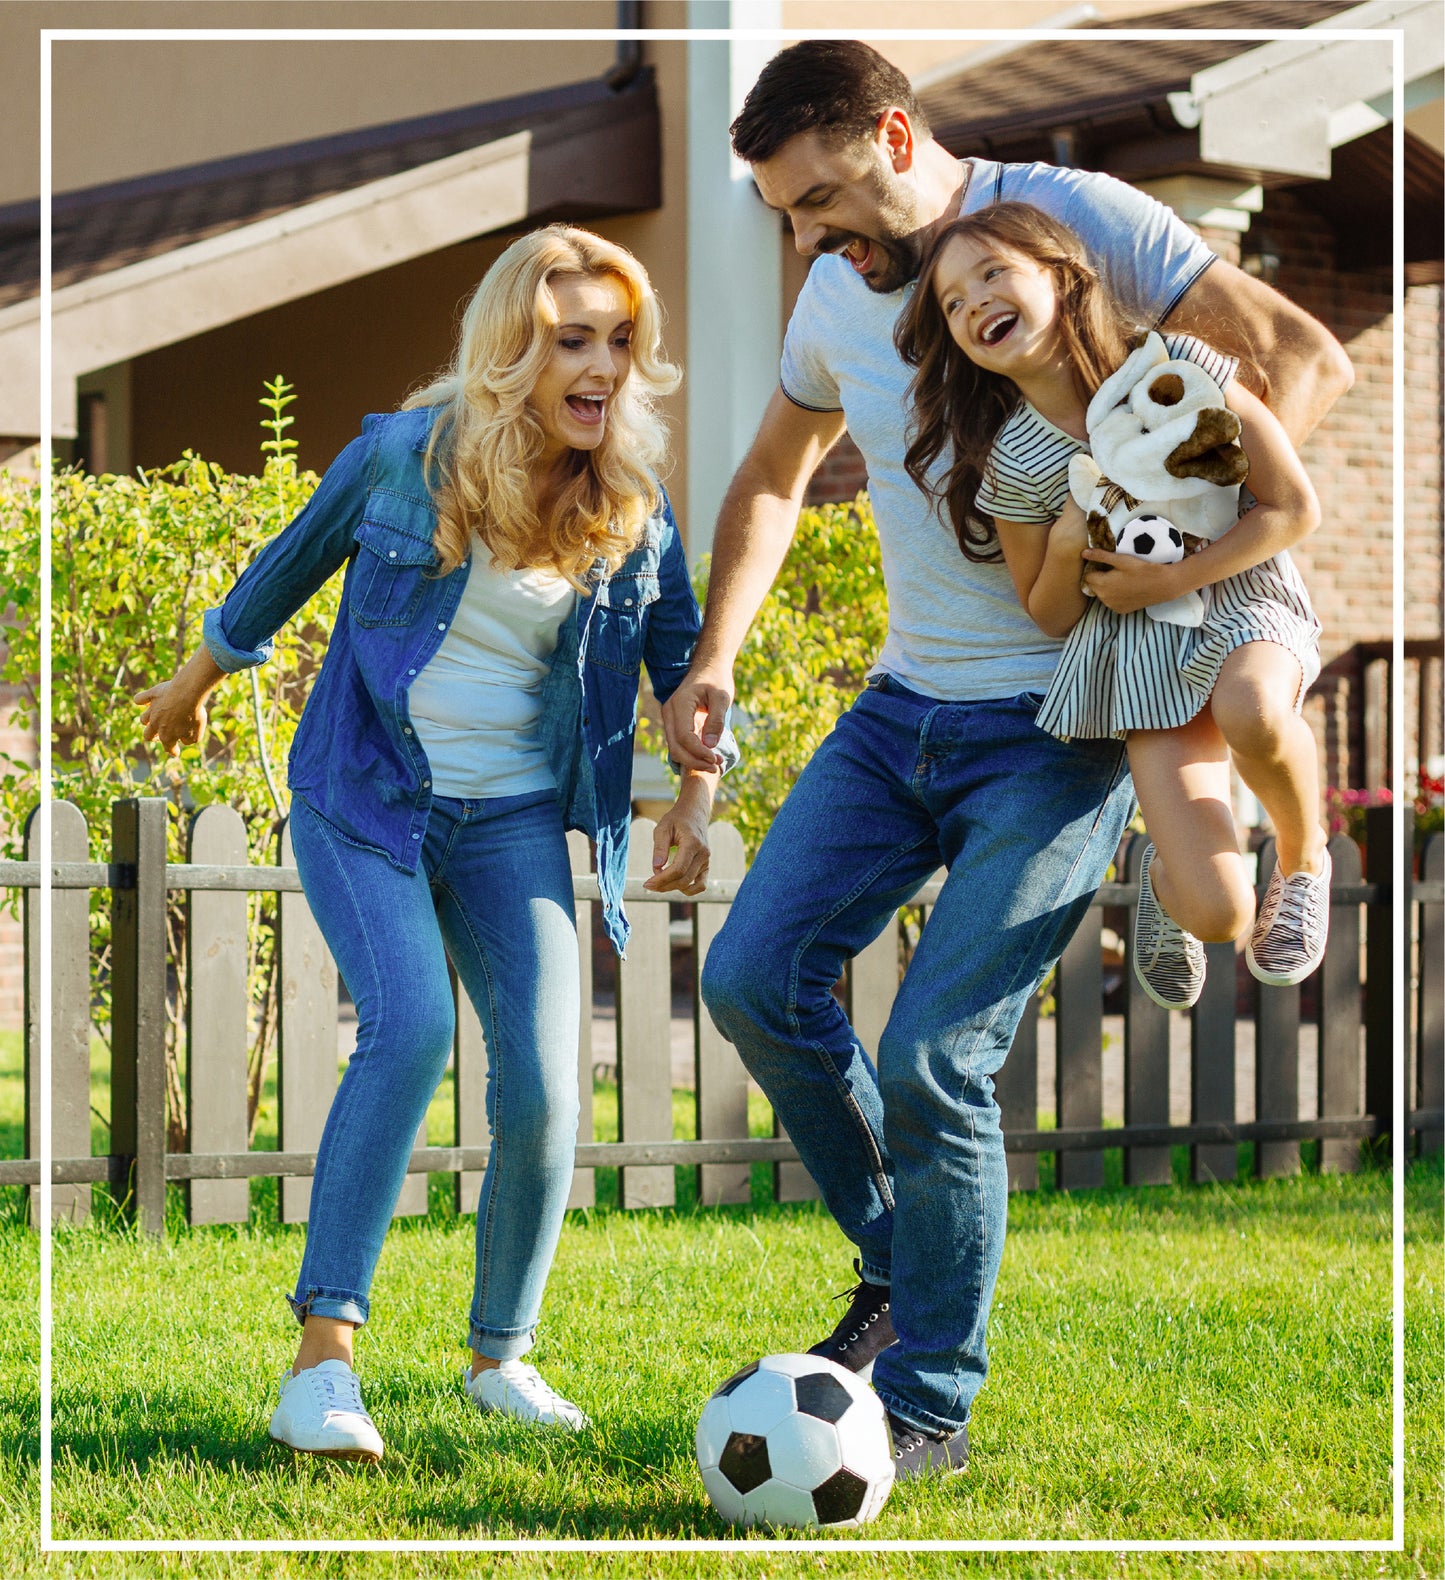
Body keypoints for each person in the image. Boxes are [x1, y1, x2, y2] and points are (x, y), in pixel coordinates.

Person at [662, 40, 1352, 1478]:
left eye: (824, 200)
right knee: (749, 981)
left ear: (896, 136)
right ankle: (902, 1271)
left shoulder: (1078, 220)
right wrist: (714, 655)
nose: (808, 239)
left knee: (933, 1058)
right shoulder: (840, 292)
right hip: (901, 707)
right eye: (788, 214)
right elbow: (775, 477)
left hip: (1065, 723)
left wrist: (1186, 561)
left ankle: (926, 1404)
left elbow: (1298, 357)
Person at [137, 225, 733, 1464]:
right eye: (573, 340)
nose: (603, 367)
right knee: (407, 1026)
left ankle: (499, 1356)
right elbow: (282, 570)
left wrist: (694, 791)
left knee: (548, 1081)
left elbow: (683, 665)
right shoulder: (402, 457)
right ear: (511, 349)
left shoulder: (628, 502)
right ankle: (321, 1368)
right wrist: (192, 683)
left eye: (621, 343)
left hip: (511, 817)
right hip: (368, 795)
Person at [896, 202, 1329, 1009]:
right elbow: (1050, 614)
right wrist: (1063, 547)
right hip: (1136, 653)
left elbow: (1290, 508)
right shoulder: (1016, 463)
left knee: (1251, 708)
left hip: (1239, 599)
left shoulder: (1178, 369)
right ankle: (1169, 883)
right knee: (1218, 912)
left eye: (992, 272)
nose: (972, 302)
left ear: (1060, 276)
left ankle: (1305, 860)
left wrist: (1172, 578)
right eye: (951, 303)